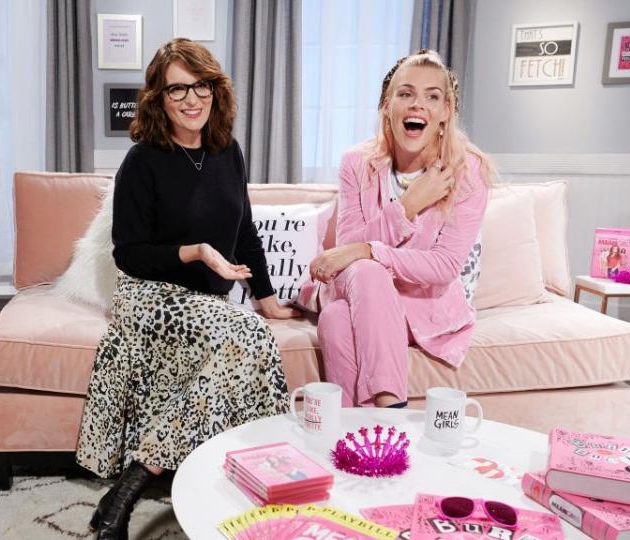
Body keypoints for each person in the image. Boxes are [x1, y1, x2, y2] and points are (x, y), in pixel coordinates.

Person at [76, 38, 299, 540]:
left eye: (201, 86)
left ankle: (129, 486)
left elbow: (243, 232)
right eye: (178, 89)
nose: (192, 99)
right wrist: (195, 251)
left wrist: (267, 300)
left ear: (215, 91)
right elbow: (128, 254)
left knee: (251, 334)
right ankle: (138, 487)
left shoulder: (227, 151)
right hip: (148, 298)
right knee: (246, 338)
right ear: (159, 98)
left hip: (205, 303)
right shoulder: (142, 160)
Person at [302, 49, 494, 409]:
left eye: (432, 97)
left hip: (418, 305)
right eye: (405, 94)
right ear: (387, 107)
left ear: (446, 113)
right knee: (366, 273)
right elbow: (348, 255)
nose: (417, 105)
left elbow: (443, 267)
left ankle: (349, 437)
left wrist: (369, 250)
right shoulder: (356, 163)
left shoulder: (468, 171)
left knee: (335, 319)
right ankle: (392, 412)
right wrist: (407, 205)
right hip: (357, 286)